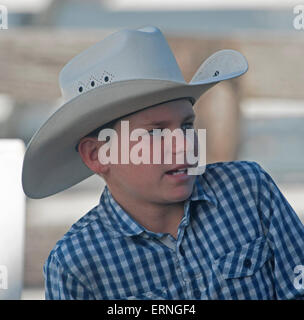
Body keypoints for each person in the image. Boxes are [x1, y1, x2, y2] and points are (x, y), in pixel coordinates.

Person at [22, 26, 304, 300]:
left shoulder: (248, 190)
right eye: (155, 133)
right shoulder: (77, 265)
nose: (183, 145)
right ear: (98, 155)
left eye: (187, 125)